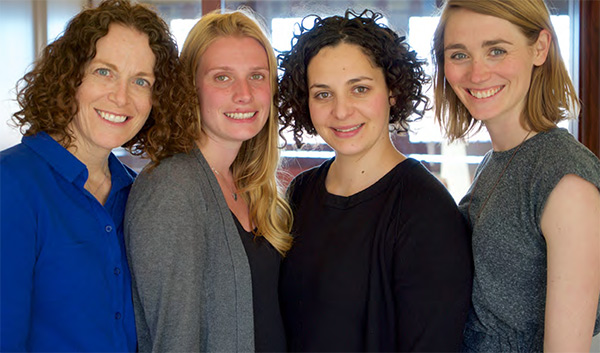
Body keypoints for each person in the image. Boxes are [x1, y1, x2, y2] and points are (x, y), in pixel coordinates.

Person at [277, 9, 473, 352]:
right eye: (323, 94)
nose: (341, 111)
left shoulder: (426, 210)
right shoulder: (300, 193)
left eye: (360, 89)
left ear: (392, 92)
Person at [0, 0, 190, 351]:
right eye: (104, 71)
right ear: (70, 77)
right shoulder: (11, 185)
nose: (121, 97)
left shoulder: (138, 194)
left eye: (141, 81)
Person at [431, 0, 600, 351]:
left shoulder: (566, 180)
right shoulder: (496, 161)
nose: (476, 74)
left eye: (496, 50)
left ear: (539, 48)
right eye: (459, 54)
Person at [124, 8, 293, 352]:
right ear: (191, 88)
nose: (244, 93)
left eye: (257, 76)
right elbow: (174, 343)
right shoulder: (173, 188)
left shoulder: (249, 185)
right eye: (222, 77)